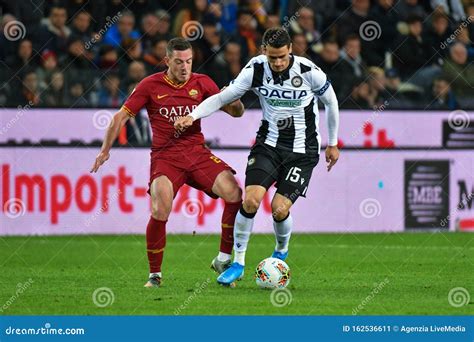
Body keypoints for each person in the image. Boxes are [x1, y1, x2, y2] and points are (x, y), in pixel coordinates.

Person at [175, 28, 340, 286]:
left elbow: (331, 102)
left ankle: (281, 251)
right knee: (250, 201)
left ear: (290, 51)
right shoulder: (255, 69)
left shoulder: (309, 71)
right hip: (268, 145)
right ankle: (238, 263)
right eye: (272, 57)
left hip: (302, 151)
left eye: (282, 57)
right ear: (264, 51)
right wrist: (192, 116)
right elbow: (223, 98)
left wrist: (333, 143)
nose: (277, 63)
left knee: (279, 209)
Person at [90, 38, 245, 288]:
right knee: (160, 209)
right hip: (166, 156)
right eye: (179, 62)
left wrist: (235, 99)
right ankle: (154, 275)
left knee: (234, 192)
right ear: (167, 61)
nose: (185, 67)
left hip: (197, 152)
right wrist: (105, 150)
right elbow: (120, 117)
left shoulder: (203, 82)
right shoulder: (150, 85)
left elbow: (236, 112)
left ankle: (223, 260)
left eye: (189, 61)